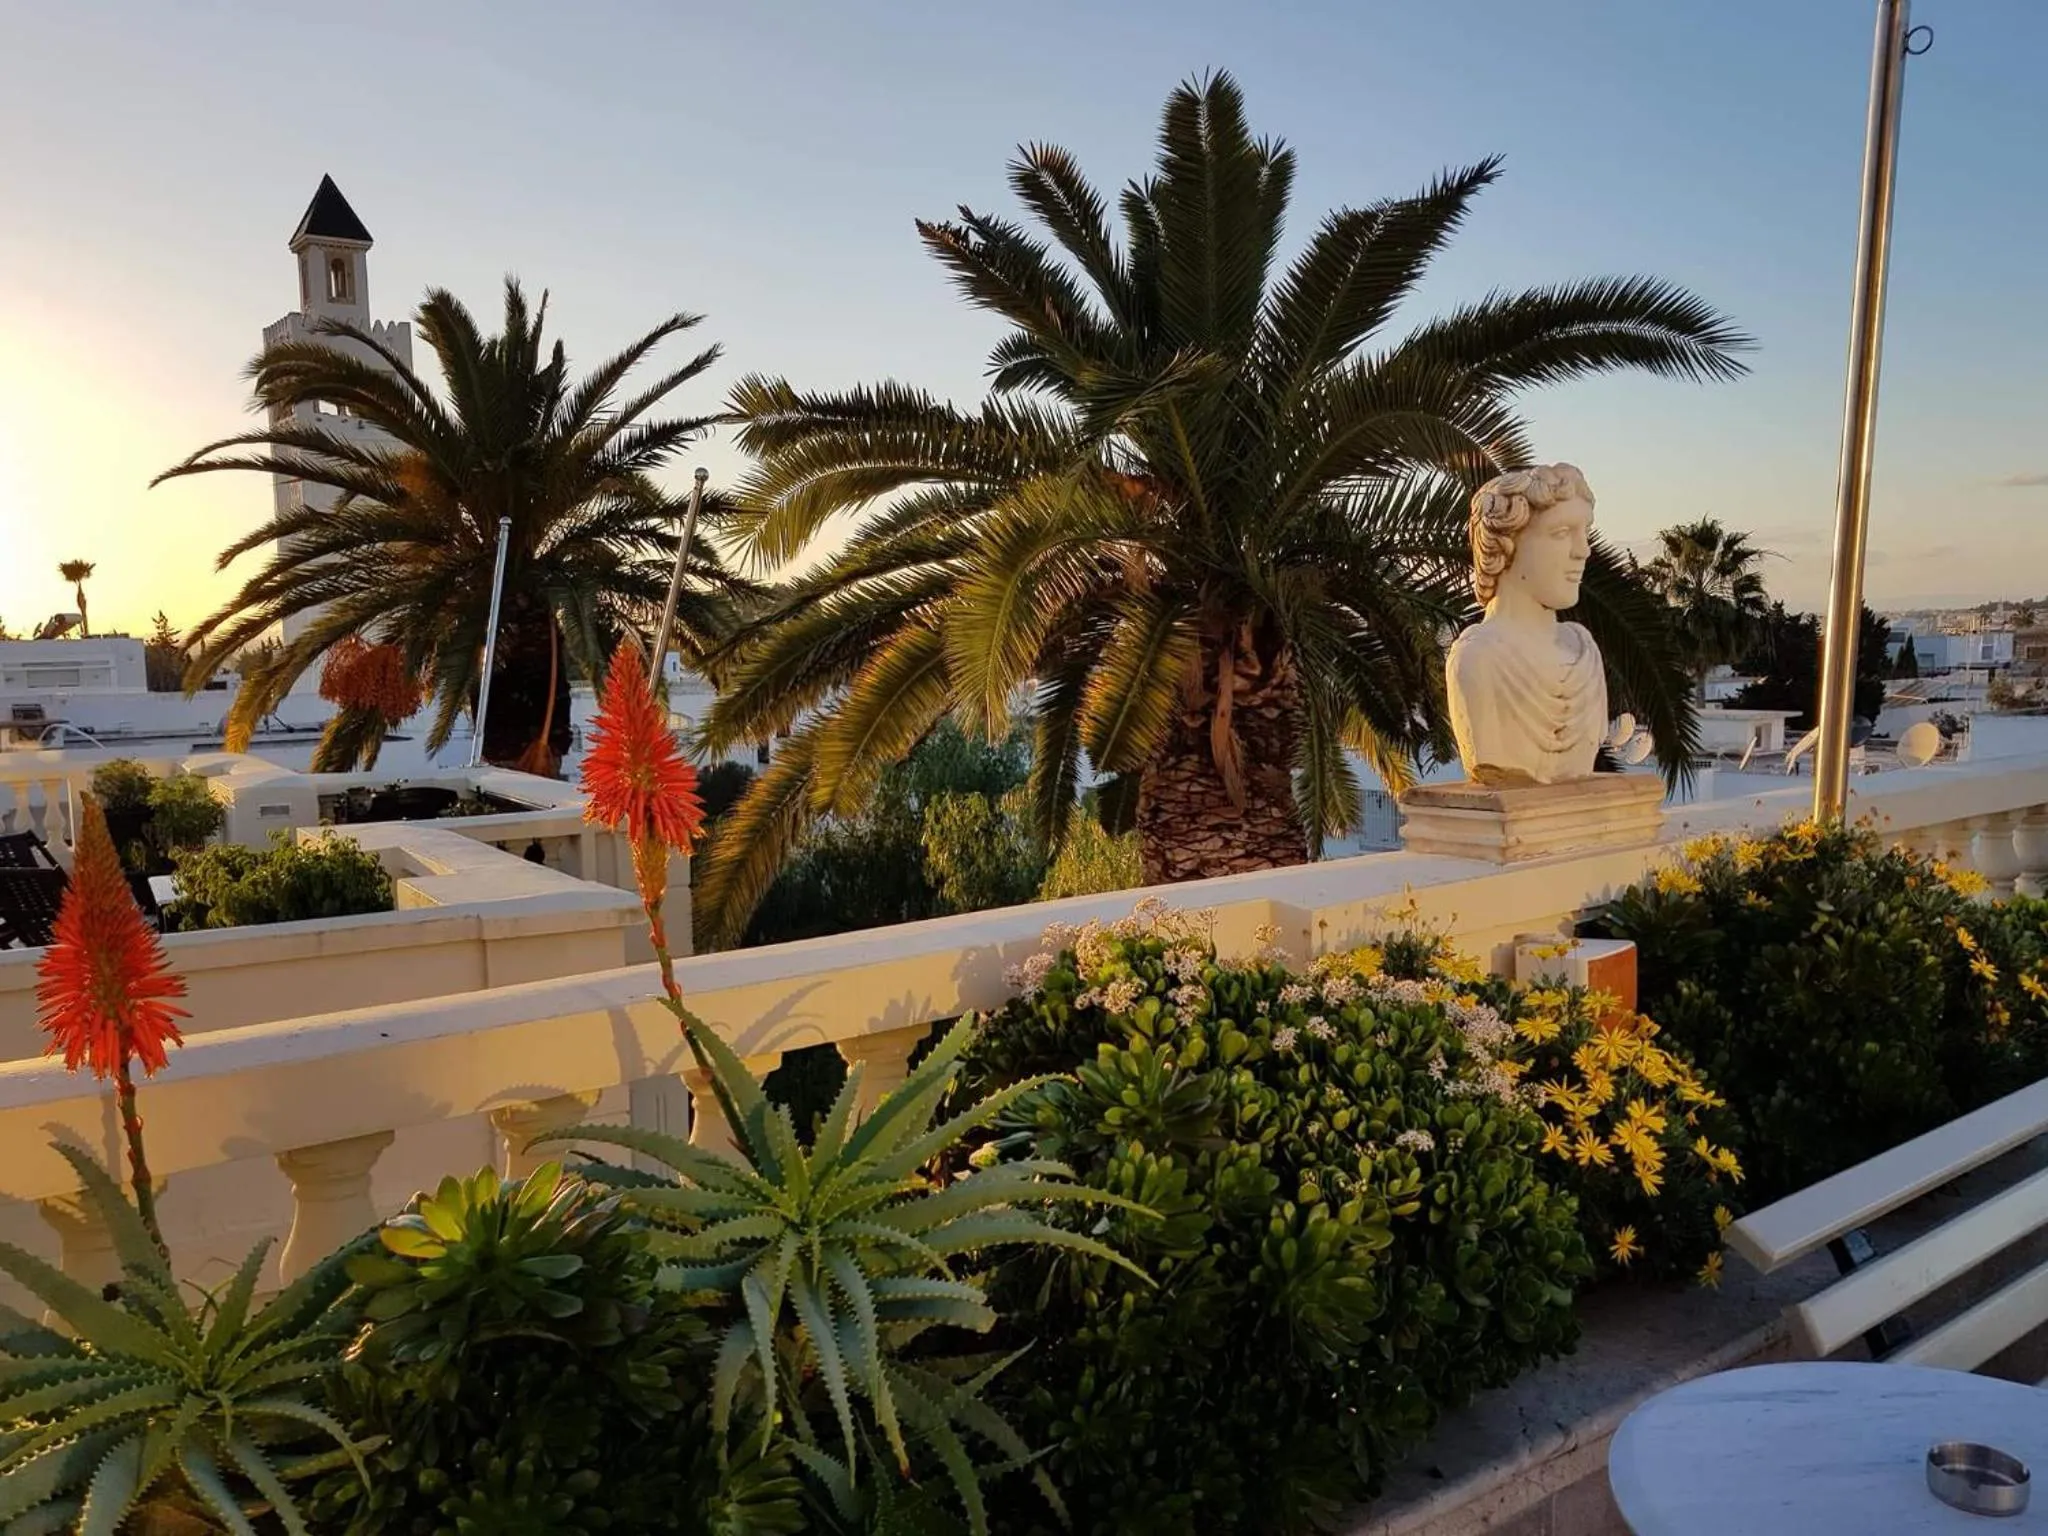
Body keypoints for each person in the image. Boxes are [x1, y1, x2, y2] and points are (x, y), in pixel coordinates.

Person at [1446, 463, 1607, 786]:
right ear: (1505, 547)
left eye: (1584, 532)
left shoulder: (1583, 649)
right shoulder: (1478, 659)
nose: (1583, 551)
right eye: (1561, 533)